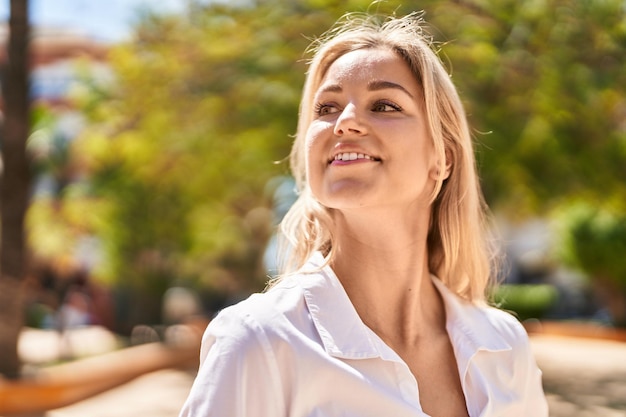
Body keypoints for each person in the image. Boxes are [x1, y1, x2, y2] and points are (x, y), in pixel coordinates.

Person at [179, 11, 548, 417]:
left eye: (385, 105)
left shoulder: (504, 345)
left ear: (442, 159)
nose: (346, 122)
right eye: (327, 107)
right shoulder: (259, 342)